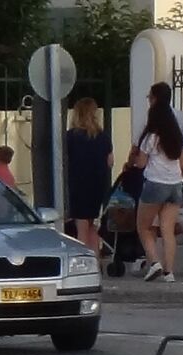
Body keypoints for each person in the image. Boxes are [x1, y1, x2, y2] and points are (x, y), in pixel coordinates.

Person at [131, 83, 183, 282]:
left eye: (149, 97)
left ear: (154, 100)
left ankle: (154, 262)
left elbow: (142, 163)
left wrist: (135, 161)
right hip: (175, 184)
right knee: (167, 230)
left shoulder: (152, 135)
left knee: (143, 226)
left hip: (155, 183)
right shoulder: (175, 134)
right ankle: (169, 272)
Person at [63, 98, 112, 254]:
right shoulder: (103, 137)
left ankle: (84, 264)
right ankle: (95, 263)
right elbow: (110, 162)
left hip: (78, 185)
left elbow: (64, 162)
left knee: (81, 229)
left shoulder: (70, 137)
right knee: (93, 228)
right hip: (98, 186)